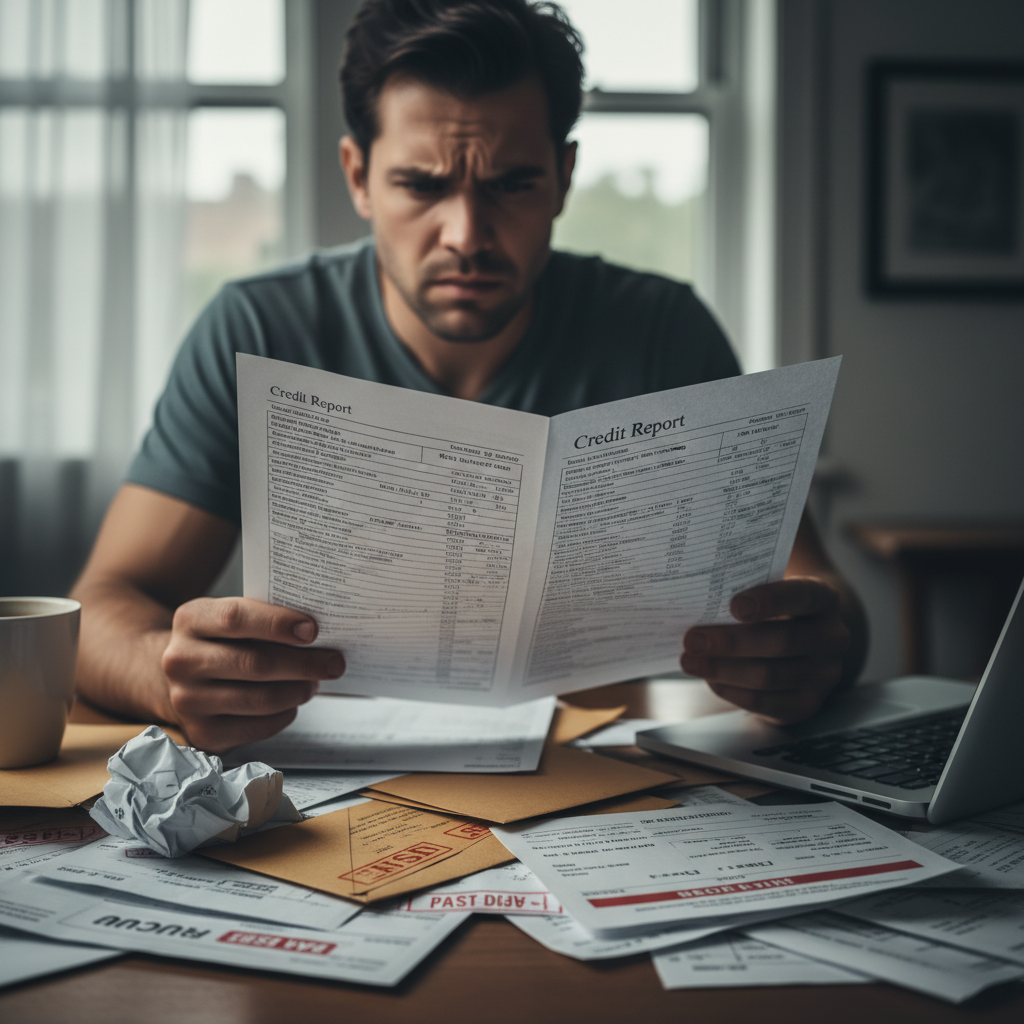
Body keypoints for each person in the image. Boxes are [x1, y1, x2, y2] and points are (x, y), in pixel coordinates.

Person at [71, 0, 867, 753]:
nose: (467, 235)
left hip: (606, 783)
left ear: (563, 176)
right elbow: (103, 605)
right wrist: (170, 676)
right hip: (325, 796)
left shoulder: (665, 331)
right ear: (358, 177)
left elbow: (816, 587)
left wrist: (818, 645)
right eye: (421, 185)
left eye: (511, 184)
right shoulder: (255, 329)